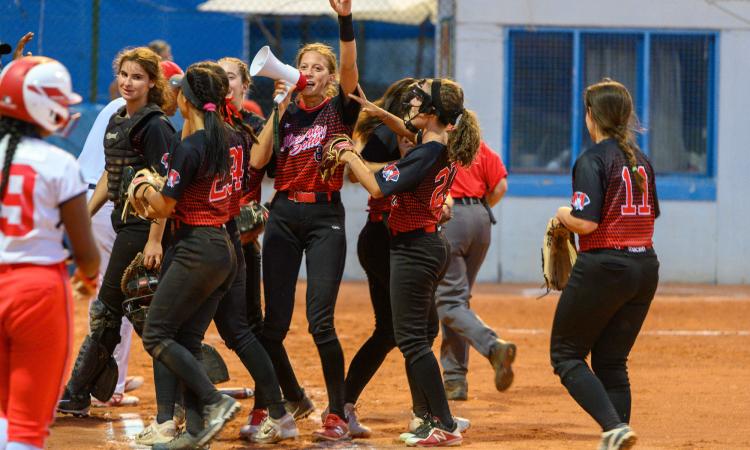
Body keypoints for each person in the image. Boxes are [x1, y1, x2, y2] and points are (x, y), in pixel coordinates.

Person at [340, 78, 481, 446]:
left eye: (421, 102)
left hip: (413, 250)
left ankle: (443, 424)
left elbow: (375, 186)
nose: (413, 105)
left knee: (412, 342)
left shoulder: (424, 154)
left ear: (433, 113)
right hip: (428, 244)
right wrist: (376, 111)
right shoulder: (439, 144)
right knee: (419, 338)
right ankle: (428, 416)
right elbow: (406, 129)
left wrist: (347, 152)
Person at [248, 0, 360, 441]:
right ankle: (269, 406)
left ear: (330, 78)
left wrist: (344, 19)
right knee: (271, 325)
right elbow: (259, 160)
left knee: (320, 321)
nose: (308, 72)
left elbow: (351, 67)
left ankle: (337, 413)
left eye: (318, 68)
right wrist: (279, 107)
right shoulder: (287, 111)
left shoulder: (339, 109)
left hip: (324, 216)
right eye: (302, 66)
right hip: (283, 213)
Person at [133, 61, 245, 449]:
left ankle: (215, 402)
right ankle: (197, 431)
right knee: (189, 338)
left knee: (157, 334)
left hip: (195, 248)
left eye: (181, 92)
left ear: (187, 100)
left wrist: (145, 190)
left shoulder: (191, 146)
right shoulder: (232, 137)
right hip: (223, 248)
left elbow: (164, 207)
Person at [57, 47, 174, 417]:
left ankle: (77, 392)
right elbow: (113, 174)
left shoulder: (156, 125)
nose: (128, 82)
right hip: (120, 223)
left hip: (141, 227)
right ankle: (79, 393)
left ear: (152, 83)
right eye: (124, 74)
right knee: (123, 310)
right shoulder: (118, 119)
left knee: (114, 308)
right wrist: (84, 214)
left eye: (137, 76)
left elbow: (166, 187)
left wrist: (156, 238)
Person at [549, 79, 660, 450]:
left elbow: (586, 222)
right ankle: (619, 434)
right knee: (612, 362)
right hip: (645, 268)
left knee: (566, 355)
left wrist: (562, 214)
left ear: (592, 116)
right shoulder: (640, 160)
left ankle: (612, 427)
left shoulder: (593, 158)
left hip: (606, 265)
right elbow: (650, 216)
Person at [0, 56, 100, 450]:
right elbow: (85, 251)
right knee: (26, 425)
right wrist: (88, 277)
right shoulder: (58, 162)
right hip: (37, 290)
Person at [435, 140, 516, 401]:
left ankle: (493, 347)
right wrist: (480, 208)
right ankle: (455, 380)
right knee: (458, 301)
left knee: (449, 302)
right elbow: (501, 186)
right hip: (481, 219)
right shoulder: (476, 144)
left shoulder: (435, 141)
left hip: (452, 218)